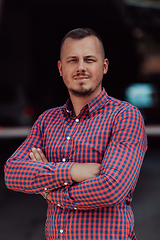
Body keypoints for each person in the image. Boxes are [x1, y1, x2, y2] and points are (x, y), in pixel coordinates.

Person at [4, 28, 147, 240]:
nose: (81, 67)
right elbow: (12, 172)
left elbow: (112, 187)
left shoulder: (125, 116)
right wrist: (72, 171)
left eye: (89, 59)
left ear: (104, 66)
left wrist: (49, 191)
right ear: (61, 68)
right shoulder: (46, 121)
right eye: (73, 60)